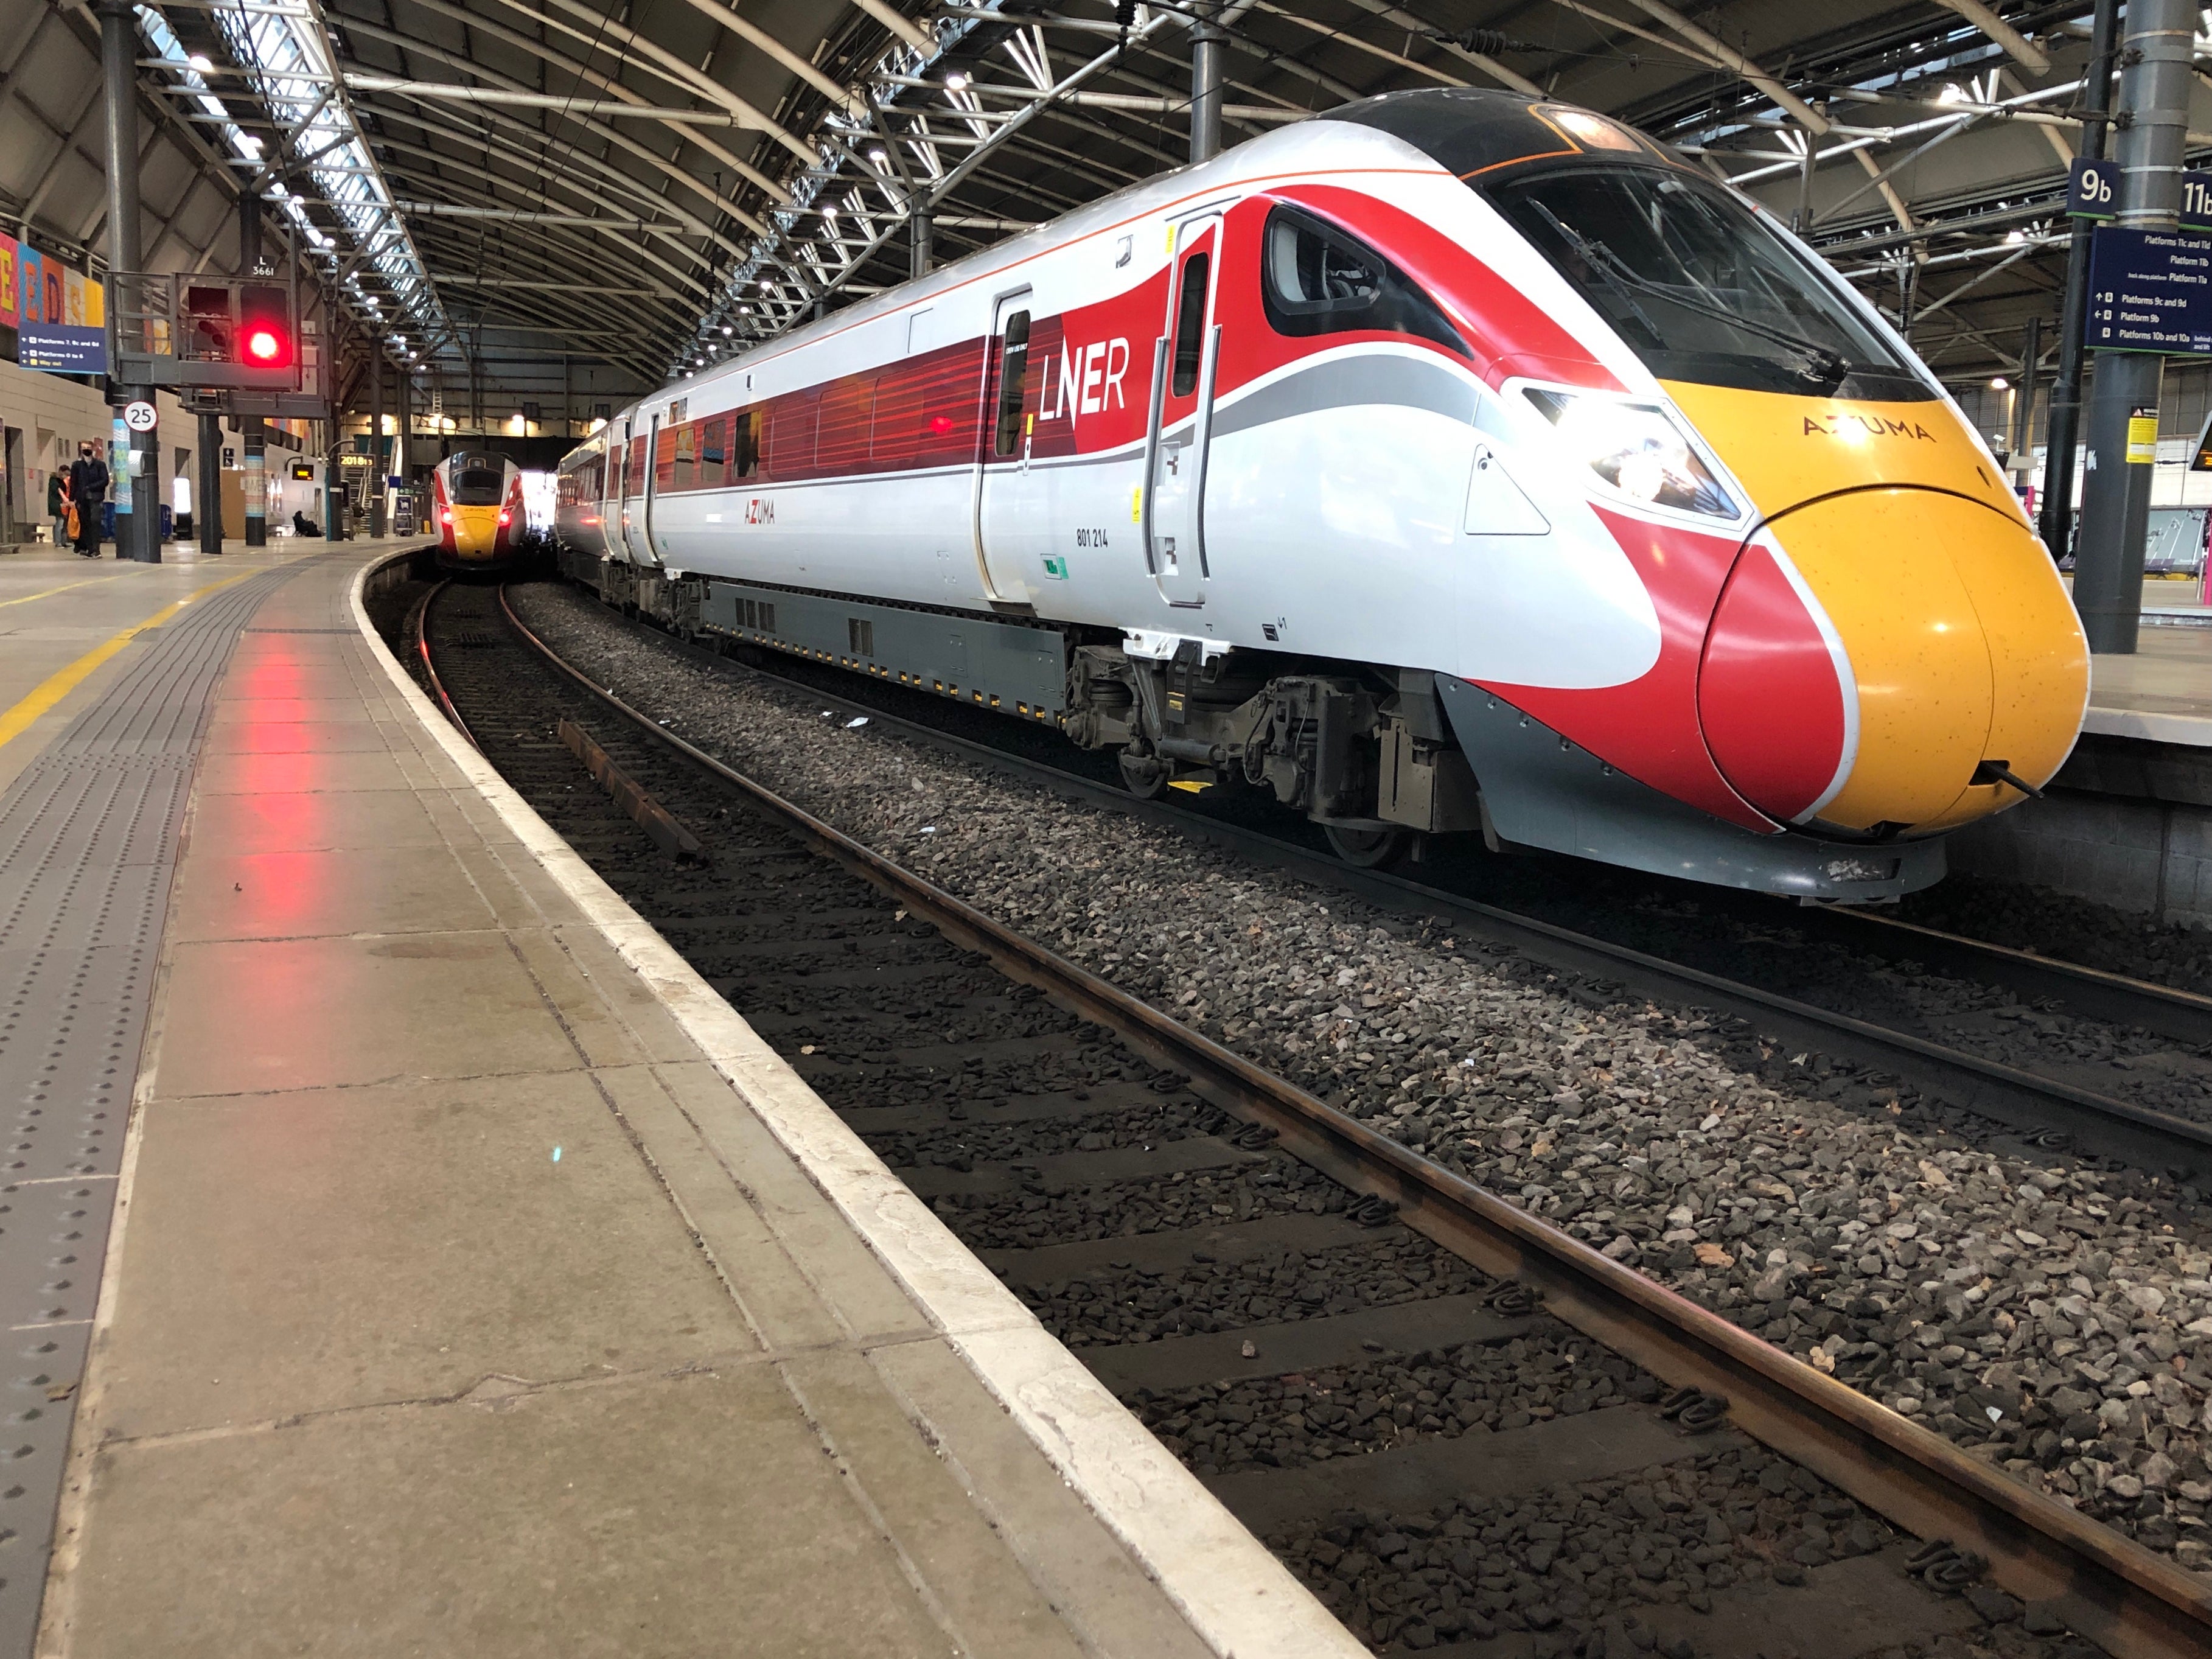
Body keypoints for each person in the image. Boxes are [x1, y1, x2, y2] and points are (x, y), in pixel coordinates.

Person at [67, 443, 108, 557]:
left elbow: (105, 480)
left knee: (95, 521)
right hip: (82, 498)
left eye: (88, 449)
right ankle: (88, 548)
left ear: (93, 449)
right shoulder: (77, 466)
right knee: (85, 523)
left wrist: (91, 487)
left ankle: (96, 549)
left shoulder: (100, 465)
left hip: (96, 497)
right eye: (84, 449)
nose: (86, 450)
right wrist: (72, 499)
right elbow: (73, 483)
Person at [47, 468, 68, 548]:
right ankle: (58, 542)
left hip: (63, 505)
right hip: (58, 506)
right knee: (60, 524)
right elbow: (58, 492)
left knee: (64, 525)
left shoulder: (60, 481)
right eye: (65, 474)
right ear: (60, 472)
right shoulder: (54, 481)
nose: (66, 476)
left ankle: (64, 542)